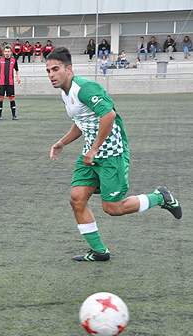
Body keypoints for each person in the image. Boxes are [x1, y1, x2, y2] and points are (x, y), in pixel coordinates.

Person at [45, 47, 182, 262]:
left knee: (113, 208)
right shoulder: (66, 92)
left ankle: (160, 197)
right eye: (48, 71)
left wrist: (95, 148)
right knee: (77, 199)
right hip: (91, 152)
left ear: (68, 69)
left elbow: (109, 115)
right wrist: (62, 142)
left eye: (56, 69)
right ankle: (99, 251)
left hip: (110, 152)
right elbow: (81, 123)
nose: (52, 74)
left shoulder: (84, 88)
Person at [0, 45, 20, 120]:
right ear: (3, 52)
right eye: (5, 51)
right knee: (0, 99)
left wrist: (18, 77)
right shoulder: (0, 60)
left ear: (11, 52)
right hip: (1, 83)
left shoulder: (14, 60)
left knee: (11, 99)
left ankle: (14, 115)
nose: (7, 53)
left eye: (8, 51)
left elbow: (17, 70)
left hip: (10, 83)